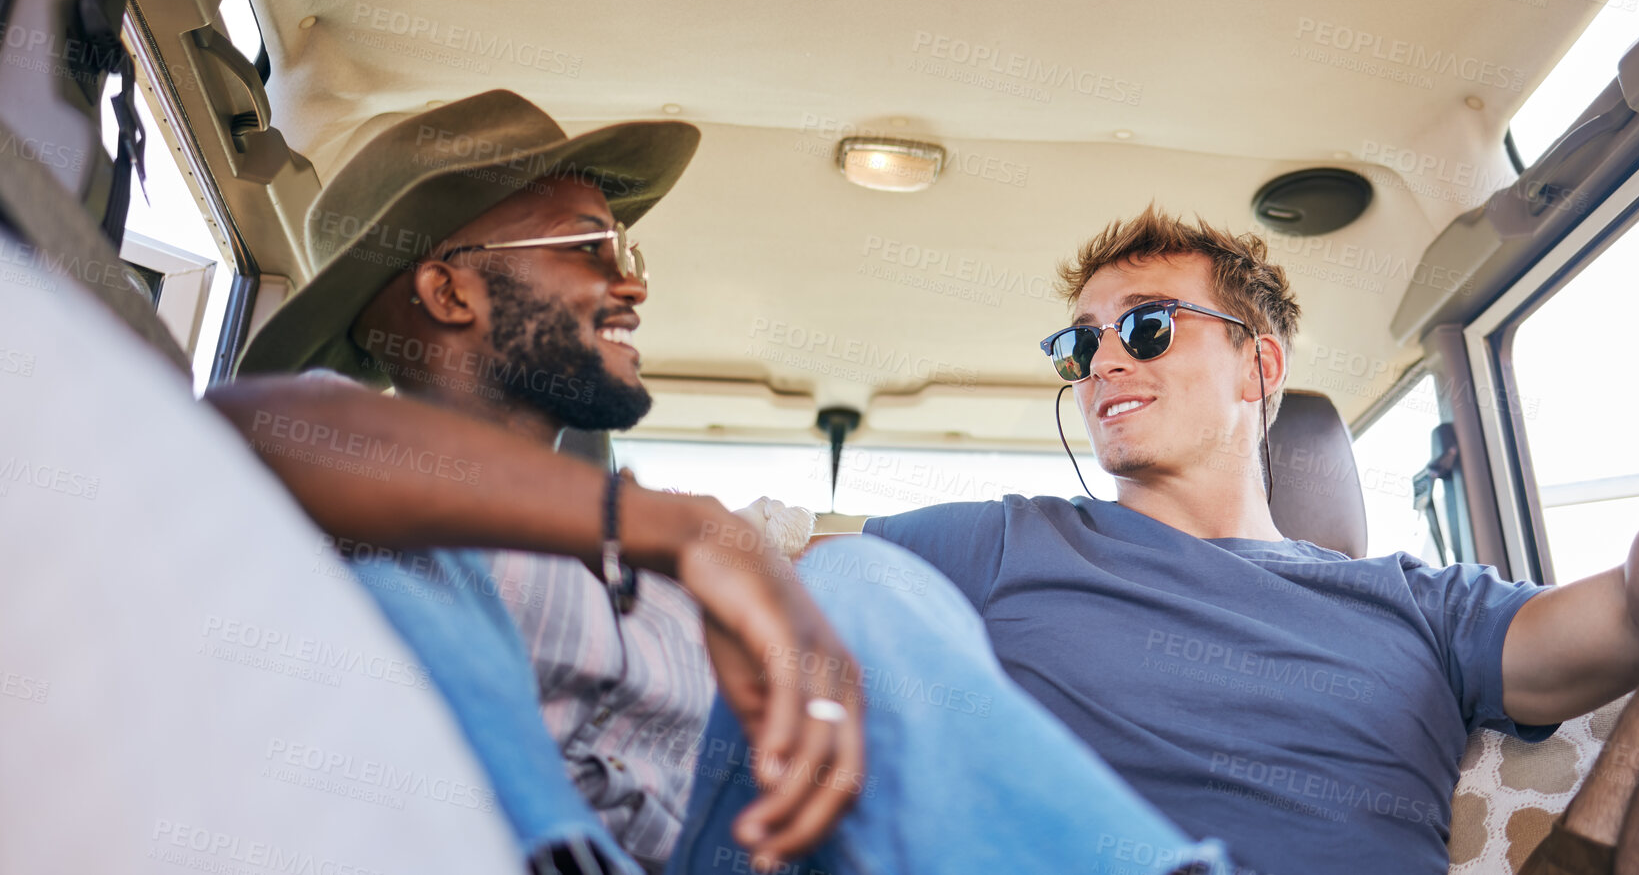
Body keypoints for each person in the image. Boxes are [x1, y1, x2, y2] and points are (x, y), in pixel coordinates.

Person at [213, 90, 1231, 875]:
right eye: (587, 245)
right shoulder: (330, 474)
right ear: (446, 286)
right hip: (489, 832)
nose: (632, 279)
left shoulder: (687, 573)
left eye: (627, 247)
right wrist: (681, 528)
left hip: (727, 839)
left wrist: (769, 586)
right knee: (399, 563)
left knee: (863, 584)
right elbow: (245, 426)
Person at [858, 207, 1639, 875]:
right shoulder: (1001, 543)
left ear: (1257, 365)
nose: (1102, 360)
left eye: (1145, 327)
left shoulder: (1422, 606)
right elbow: (791, 585)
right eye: (1078, 346)